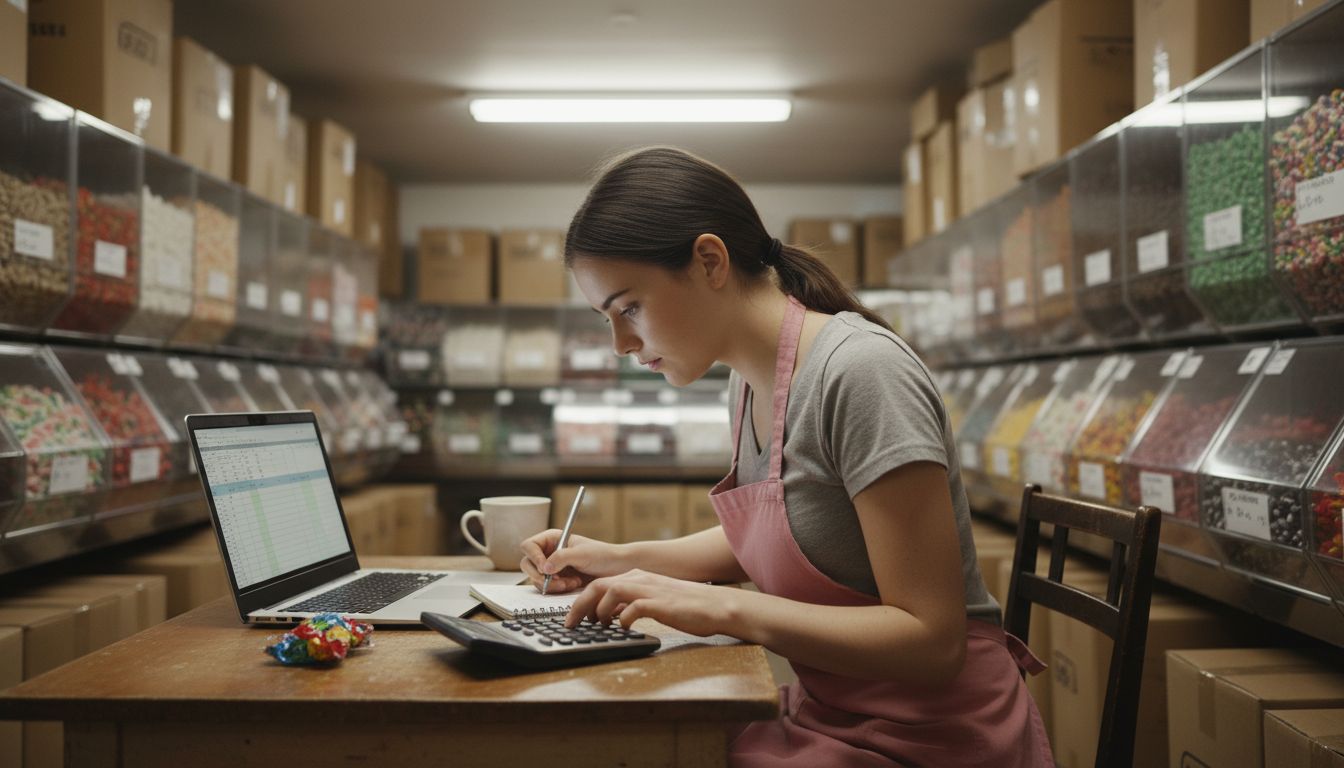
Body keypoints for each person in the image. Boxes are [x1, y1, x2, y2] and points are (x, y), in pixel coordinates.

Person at [520, 146, 1053, 767]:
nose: (619, 344)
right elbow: (786, 530)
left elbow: (932, 642)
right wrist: (616, 560)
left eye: (629, 307)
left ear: (709, 261)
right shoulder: (747, 383)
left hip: (933, 737)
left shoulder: (861, 373)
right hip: (834, 715)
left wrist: (725, 607)